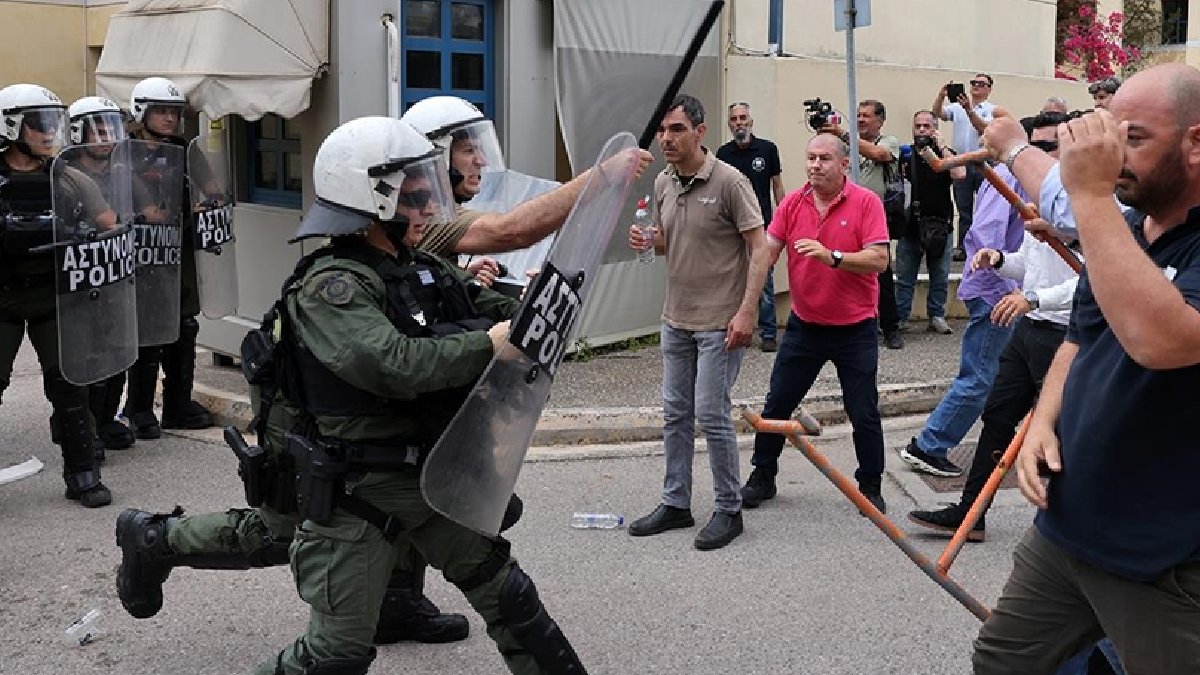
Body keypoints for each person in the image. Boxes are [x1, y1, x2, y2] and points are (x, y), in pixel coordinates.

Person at [969, 63, 1200, 675]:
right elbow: (1081, 338)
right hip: (1070, 529)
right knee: (1001, 663)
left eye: (1135, 138)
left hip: (1163, 558)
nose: (1114, 156)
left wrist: (1091, 195)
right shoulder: (1131, 227)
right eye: (1109, 136)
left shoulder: (1122, 220)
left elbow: (1164, 340)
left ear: (1196, 143)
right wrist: (1043, 422)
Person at [908, 112, 1078, 541]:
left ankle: (1070, 526)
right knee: (998, 416)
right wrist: (1001, 261)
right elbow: (1032, 265)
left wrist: (1034, 297)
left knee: (1065, 432)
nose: (1035, 157)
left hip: (1066, 336)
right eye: (1030, 146)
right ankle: (971, 514)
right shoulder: (1041, 200)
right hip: (1030, 330)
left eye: (1045, 148)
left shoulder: (1088, 204)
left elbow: (1092, 280)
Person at [626, 94, 769, 550]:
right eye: (663, 130)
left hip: (719, 322)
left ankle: (729, 509)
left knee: (711, 413)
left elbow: (760, 249)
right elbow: (671, 243)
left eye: (677, 130)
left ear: (700, 132)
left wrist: (747, 311)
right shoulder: (664, 183)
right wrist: (649, 240)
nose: (667, 139)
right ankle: (676, 503)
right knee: (675, 415)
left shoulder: (731, 182)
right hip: (676, 318)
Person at [740, 132, 891, 513]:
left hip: (854, 329)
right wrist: (742, 307)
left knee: (863, 411)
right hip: (805, 327)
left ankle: (870, 486)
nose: (815, 165)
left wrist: (833, 257)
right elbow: (766, 256)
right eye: (810, 158)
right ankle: (762, 475)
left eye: (824, 158)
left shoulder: (866, 202)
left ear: (844, 165)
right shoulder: (792, 204)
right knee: (777, 404)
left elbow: (879, 259)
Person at [0, 84, 117, 507]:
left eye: (53, 122)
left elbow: (110, 224)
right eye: (39, 123)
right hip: (4, 299)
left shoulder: (68, 177)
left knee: (69, 386)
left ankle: (83, 473)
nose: (50, 133)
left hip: (54, 297)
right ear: (13, 125)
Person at [897, 135, 1031, 479]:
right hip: (995, 291)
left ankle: (1016, 443)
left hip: (1004, 289)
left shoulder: (1013, 174)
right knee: (980, 375)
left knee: (1012, 375)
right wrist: (1005, 285)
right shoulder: (1012, 176)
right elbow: (987, 232)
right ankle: (929, 445)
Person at [120, 76, 215, 439]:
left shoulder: (186, 150)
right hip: (139, 254)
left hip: (179, 250)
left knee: (183, 326)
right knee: (145, 329)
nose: (170, 119)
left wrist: (206, 203)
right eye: (161, 111)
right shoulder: (122, 153)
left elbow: (213, 190)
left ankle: (178, 404)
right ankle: (139, 407)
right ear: (142, 111)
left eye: (174, 112)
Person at [67, 96, 141, 453]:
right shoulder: (63, 174)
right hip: (78, 279)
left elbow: (141, 211)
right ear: (78, 132)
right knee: (87, 354)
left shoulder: (124, 170)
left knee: (118, 347)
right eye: (97, 129)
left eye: (111, 129)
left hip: (116, 271)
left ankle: (109, 418)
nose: (106, 137)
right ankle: (88, 428)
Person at [824, 100, 904, 349]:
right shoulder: (847, 145)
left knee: (881, 272)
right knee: (842, 265)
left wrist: (844, 136)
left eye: (866, 116)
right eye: (857, 115)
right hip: (846, 213)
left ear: (880, 120)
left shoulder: (888, 141)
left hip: (876, 216)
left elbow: (879, 155)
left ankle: (891, 328)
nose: (860, 120)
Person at [716, 101, 785, 352]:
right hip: (731, 230)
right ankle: (736, 330)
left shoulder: (767, 150)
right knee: (732, 280)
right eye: (734, 119)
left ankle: (768, 334)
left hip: (762, 226)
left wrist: (783, 219)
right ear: (729, 124)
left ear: (751, 121)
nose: (739, 123)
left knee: (764, 281)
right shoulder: (723, 154)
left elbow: (777, 185)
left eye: (743, 118)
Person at [895, 111, 962, 334]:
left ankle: (936, 316)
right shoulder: (905, 154)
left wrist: (941, 146)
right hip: (911, 225)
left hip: (940, 224)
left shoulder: (945, 154)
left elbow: (959, 173)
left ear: (935, 128)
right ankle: (901, 318)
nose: (922, 130)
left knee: (940, 277)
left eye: (927, 126)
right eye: (918, 126)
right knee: (905, 278)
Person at [934, 73, 996, 261]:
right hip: (961, 162)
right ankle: (963, 247)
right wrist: (941, 95)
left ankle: (985, 245)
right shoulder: (957, 107)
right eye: (973, 83)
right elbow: (938, 113)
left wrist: (969, 109)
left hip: (984, 163)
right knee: (964, 209)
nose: (976, 86)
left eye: (981, 84)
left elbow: (984, 130)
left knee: (986, 206)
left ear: (989, 89)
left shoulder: (992, 110)